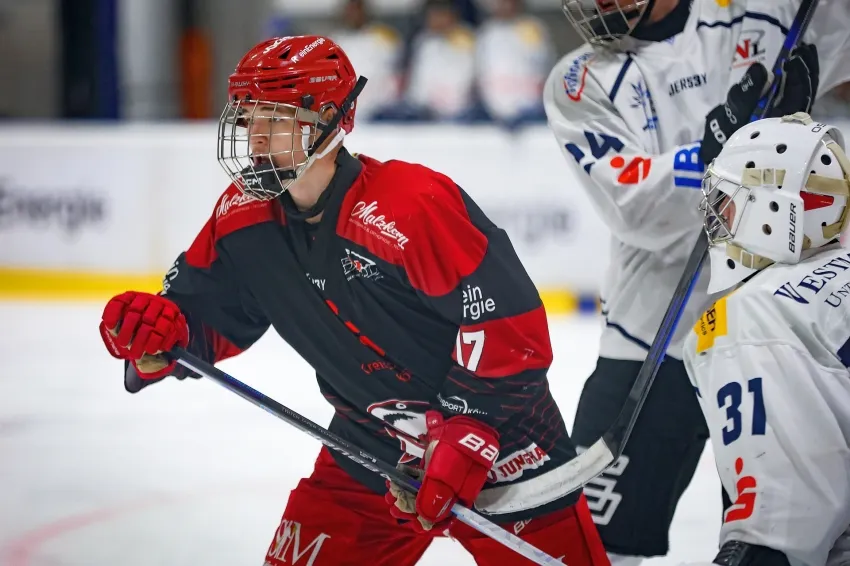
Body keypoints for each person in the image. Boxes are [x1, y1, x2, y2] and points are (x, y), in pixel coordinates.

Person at [97, 35, 608, 566]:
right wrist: (160, 331)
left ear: (325, 120)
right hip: (369, 445)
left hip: (504, 447)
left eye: (274, 119)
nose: (255, 138)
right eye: (249, 118)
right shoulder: (243, 217)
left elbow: (507, 325)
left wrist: (465, 433)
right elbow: (208, 316)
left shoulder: (410, 205)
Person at [543, 0, 850, 563]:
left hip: (781, 323)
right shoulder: (576, 80)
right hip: (654, 331)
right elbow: (630, 206)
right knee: (586, 543)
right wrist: (722, 154)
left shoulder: (763, 10)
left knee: (790, 539)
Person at [682, 112, 850, 566]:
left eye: (728, 199)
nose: (715, 214)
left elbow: (780, 523)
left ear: (776, 211)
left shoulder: (754, 315)